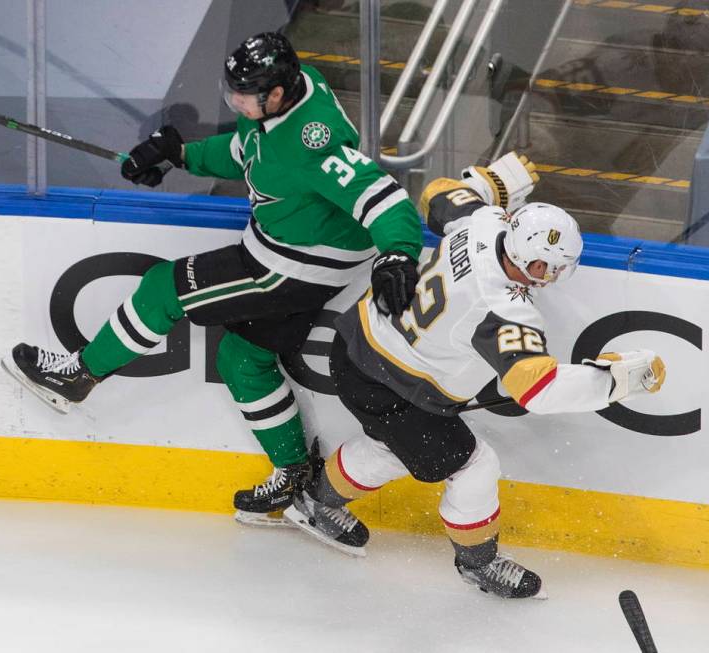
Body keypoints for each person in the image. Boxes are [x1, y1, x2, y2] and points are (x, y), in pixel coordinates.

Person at [2, 32, 423, 526]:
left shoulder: (314, 139)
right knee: (242, 358)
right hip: (294, 251)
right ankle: (294, 475)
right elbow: (249, 150)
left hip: (289, 266)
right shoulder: (284, 101)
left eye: (245, 95)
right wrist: (181, 155)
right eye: (234, 92)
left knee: (162, 288)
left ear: (278, 94)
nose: (237, 102)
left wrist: (399, 253)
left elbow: (383, 197)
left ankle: (77, 376)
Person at [283, 158, 667, 599]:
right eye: (552, 268)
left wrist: (491, 183)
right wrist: (615, 380)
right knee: (472, 465)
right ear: (534, 265)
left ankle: (316, 500)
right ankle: (478, 564)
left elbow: (438, 193)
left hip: (355, 345)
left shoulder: (483, 223)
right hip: (394, 386)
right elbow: (538, 391)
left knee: (393, 448)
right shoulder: (504, 308)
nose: (555, 277)